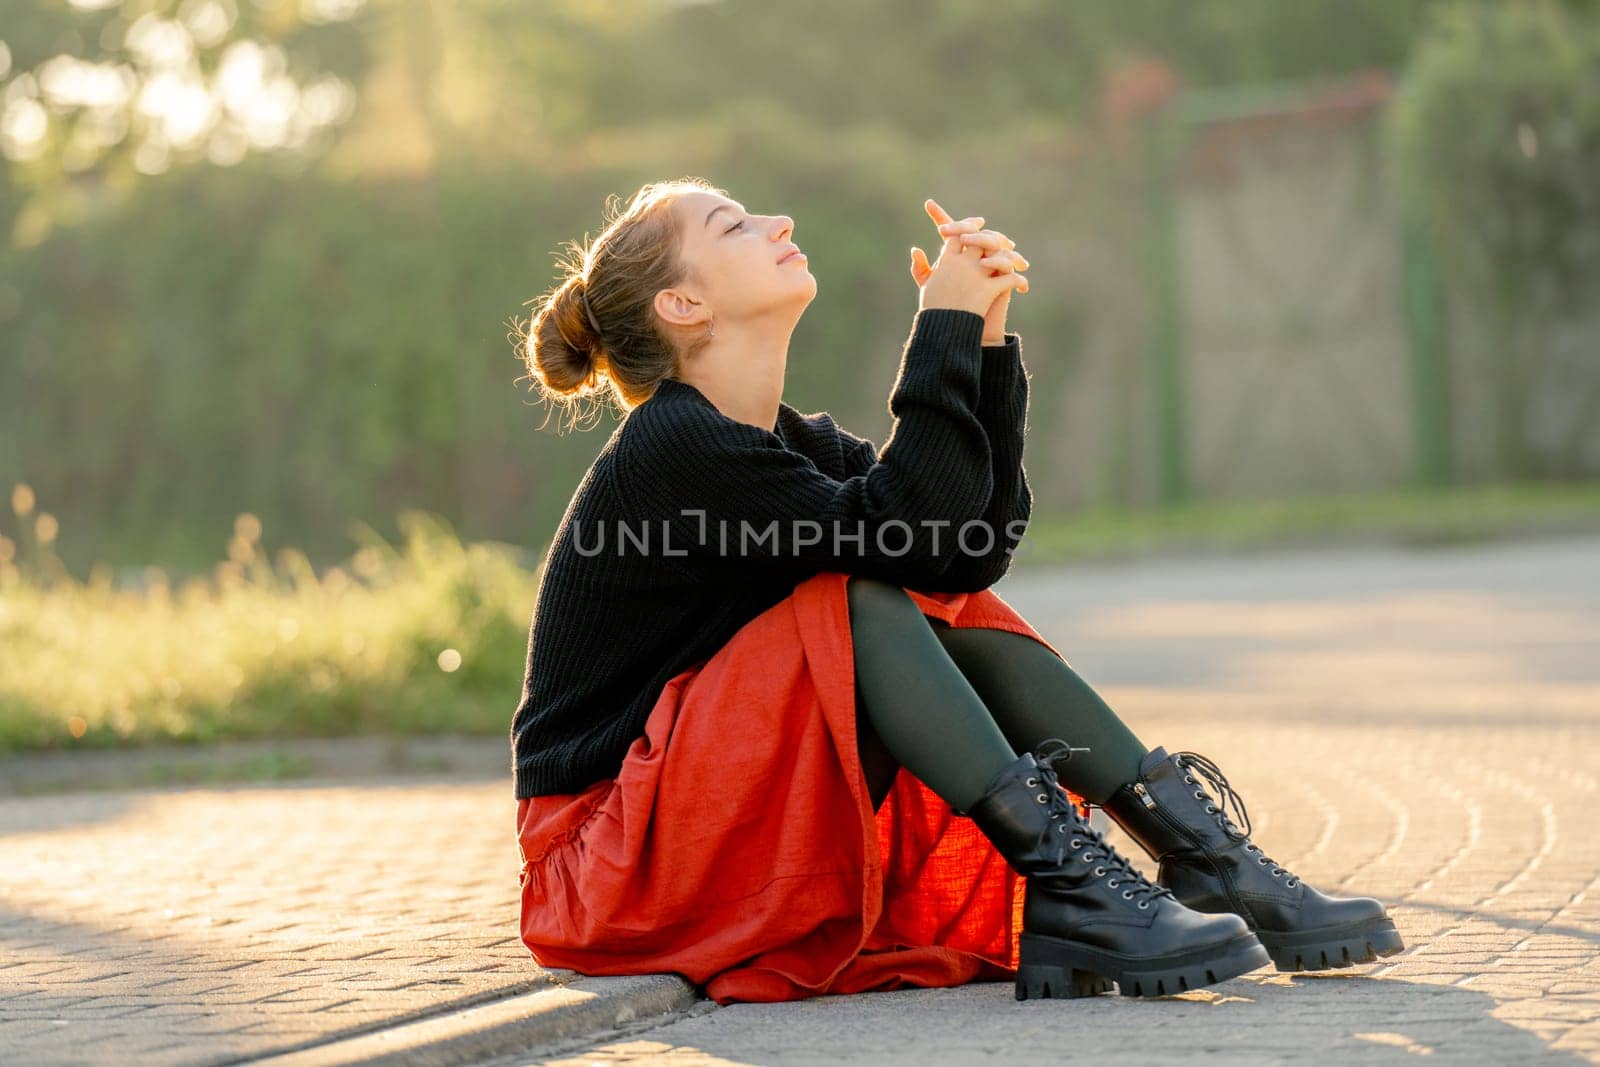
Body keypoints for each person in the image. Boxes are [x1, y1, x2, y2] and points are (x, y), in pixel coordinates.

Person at [507, 176, 1403, 1005]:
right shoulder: (671, 447)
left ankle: (1202, 857)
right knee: (853, 599)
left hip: (692, 810)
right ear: (684, 303)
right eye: (733, 225)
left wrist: (982, 343)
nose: (776, 224)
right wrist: (937, 332)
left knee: (915, 594)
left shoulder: (785, 443)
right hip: (603, 858)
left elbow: (959, 552)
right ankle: (1072, 881)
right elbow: (904, 530)